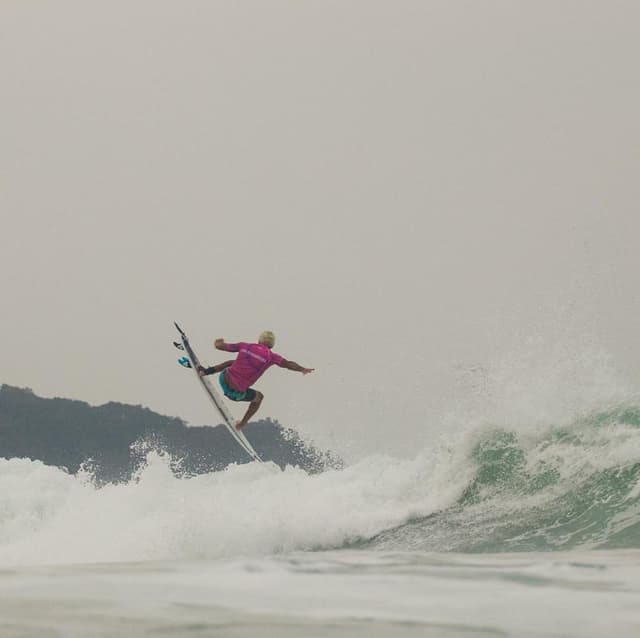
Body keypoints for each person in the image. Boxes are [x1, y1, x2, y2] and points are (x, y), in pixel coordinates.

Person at [197, 331, 314, 430]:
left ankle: (205, 372)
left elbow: (220, 346)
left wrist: (218, 342)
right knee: (259, 397)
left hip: (223, 378)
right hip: (236, 394)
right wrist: (302, 369)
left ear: (259, 340)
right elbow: (288, 364)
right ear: (272, 345)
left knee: (231, 363)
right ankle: (242, 424)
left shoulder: (245, 346)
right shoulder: (272, 357)